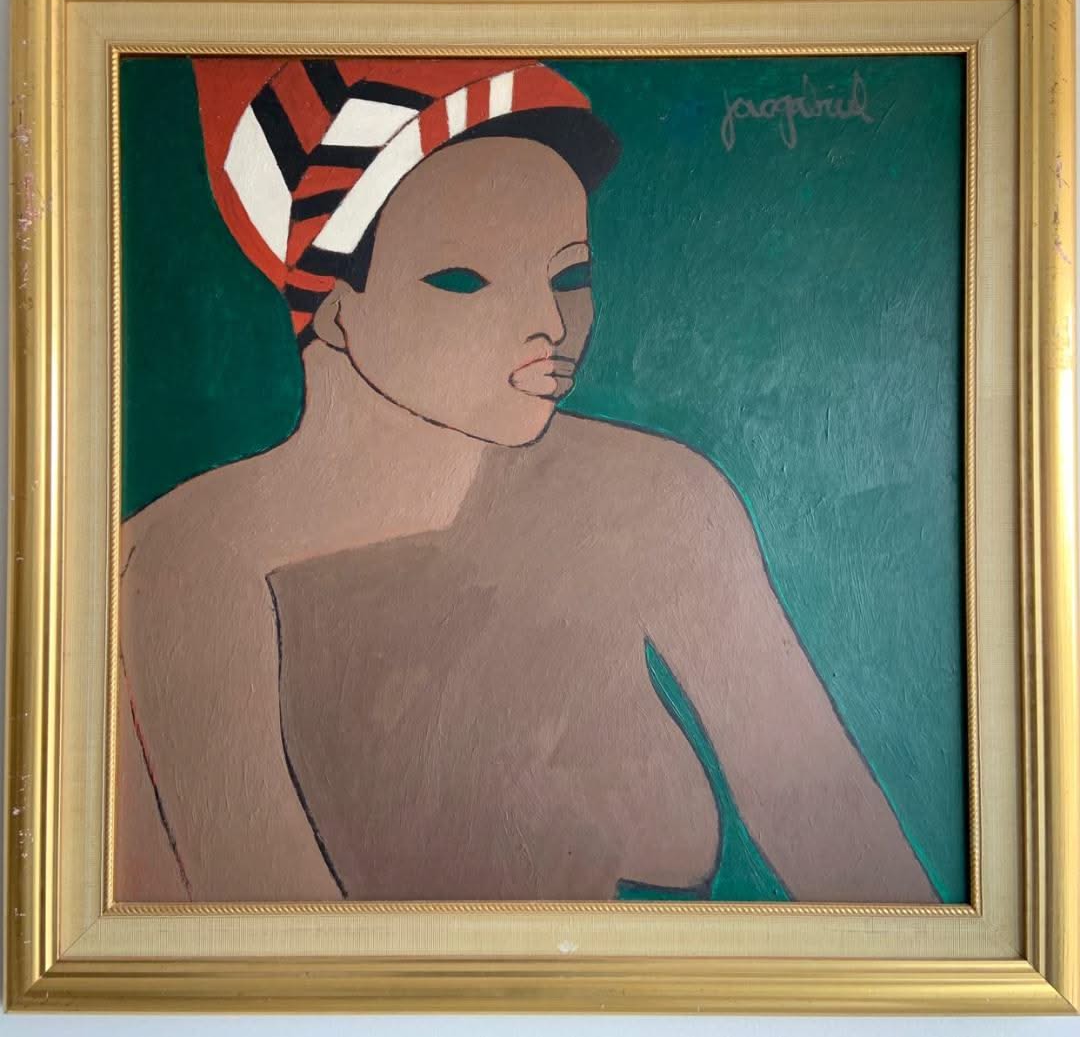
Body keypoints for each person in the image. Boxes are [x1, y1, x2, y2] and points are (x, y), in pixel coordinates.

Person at [115, 57, 939, 904]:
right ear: (333, 305)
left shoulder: (658, 498)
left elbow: (852, 853)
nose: (549, 323)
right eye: (464, 278)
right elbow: (272, 941)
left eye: (569, 276)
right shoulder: (191, 562)